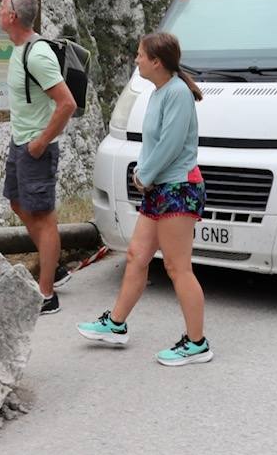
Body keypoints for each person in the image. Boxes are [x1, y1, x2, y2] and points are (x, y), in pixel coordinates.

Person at [77, 32, 212, 367]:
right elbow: (156, 144)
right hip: (160, 188)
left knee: (177, 268)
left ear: (157, 61)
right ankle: (116, 325)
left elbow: (170, 144)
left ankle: (197, 344)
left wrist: (143, 175)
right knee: (137, 255)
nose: (136, 60)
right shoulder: (160, 91)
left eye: (140, 55)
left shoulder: (177, 93)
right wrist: (145, 172)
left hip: (177, 189)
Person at [0, 0, 77, 315]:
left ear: (13, 16)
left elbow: (67, 103)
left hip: (35, 148)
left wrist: (42, 141)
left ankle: (47, 295)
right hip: (22, 144)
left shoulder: (37, 54)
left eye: (3, 5)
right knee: (17, 202)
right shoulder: (19, 49)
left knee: (44, 220)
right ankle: (52, 263)